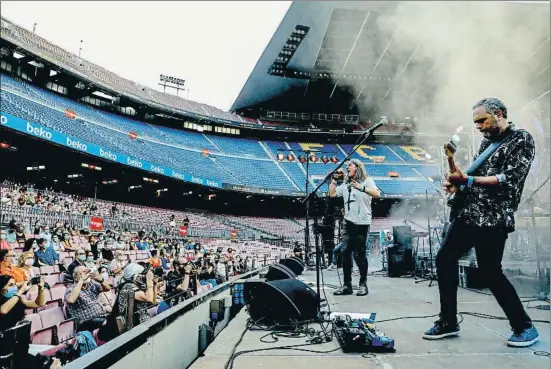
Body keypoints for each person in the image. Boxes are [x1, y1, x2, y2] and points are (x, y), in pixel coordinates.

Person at [423, 97, 539, 347]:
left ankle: (524, 326)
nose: (478, 126)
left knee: (490, 272)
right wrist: (457, 182)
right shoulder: (487, 143)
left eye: (482, 120)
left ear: (498, 114)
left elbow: (510, 178)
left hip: (494, 217)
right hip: (469, 213)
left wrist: (468, 181)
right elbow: (473, 176)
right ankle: (448, 321)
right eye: (475, 122)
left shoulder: (521, 139)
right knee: (444, 258)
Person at [329, 159, 380, 296]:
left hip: (362, 223)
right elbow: (332, 194)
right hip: (348, 222)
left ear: (357, 167)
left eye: (349, 165)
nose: (347, 167)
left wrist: (361, 187)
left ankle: (363, 284)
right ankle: (347, 285)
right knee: (345, 253)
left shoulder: (367, 180)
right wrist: (334, 180)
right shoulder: (346, 185)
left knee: (360, 254)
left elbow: (377, 194)